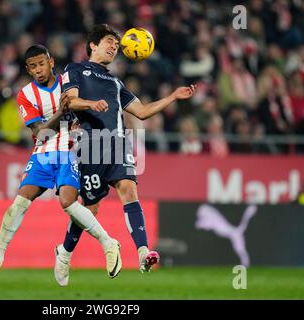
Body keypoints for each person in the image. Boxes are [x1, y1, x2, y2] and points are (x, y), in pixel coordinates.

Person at [54, 24, 196, 286]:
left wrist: (173, 96)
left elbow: (141, 111)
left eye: (116, 45)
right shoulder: (75, 69)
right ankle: (64, 252)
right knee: (91, 208)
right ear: (93, 45)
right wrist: (91, 104)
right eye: (109, 41)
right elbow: (69, 101)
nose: (113, 47)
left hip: (118, 143)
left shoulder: (115, 81)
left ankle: (143, 252)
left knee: (129, 190)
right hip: (90, 144)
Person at [0, 45, 122, 282]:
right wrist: (60, 111)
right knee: (19, 202)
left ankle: (108, 244)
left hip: (72, 148)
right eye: (33, 66)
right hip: (44, 150)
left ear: (51, 62)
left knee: (68, 202)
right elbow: (40, 131)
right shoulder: (25, 95)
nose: (38, 70)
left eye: (41, 64)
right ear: (28, 69)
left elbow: (88, 105)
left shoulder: (69, 81)